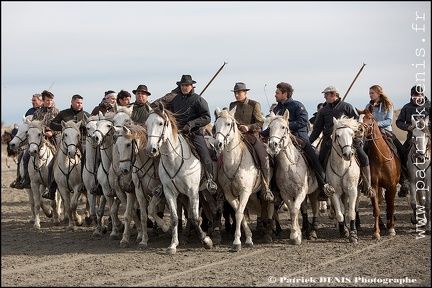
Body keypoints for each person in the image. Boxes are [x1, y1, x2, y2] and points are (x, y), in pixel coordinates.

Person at [260, 82, 335, 199]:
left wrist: (286, 125)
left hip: (299, 138)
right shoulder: (278, 108)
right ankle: (275, 191)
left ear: (285, 94)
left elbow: (303, 121)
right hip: (282, 141)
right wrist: (262, 134)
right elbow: (273, 127)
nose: (275, 95)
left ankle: (323, 186)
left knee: (314, 159)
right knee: (272, 161)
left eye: (277, 93)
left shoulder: (296, 105)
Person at [154, 75, 217, 193]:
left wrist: (192, 124)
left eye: (187, 85)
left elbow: (207, 117)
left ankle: (210, 179)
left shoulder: (198, 100)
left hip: (194, 133)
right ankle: (162, 184)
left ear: (191, 86)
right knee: (162, 153)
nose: (184, 87)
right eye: (182, 85)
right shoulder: (175, 99)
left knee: (205, 153)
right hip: (176, 133)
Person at [309, 85, 375, 198]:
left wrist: (357, 138)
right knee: (319, 160)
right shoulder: (323, 110)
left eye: (326, 94)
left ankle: (367, 185)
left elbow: (356, 124)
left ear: (334, 95)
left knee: (364, 157)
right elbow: (317, 129)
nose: (324, 96)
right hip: (329, 141)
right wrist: (308, 141)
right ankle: (323, 188)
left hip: (348, 141)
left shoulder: (347, 107)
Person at [229, 82, 275, 202]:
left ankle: (266, 186)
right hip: (235, 137)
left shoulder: (254, 104)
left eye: (239, 92)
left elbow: (260, 123)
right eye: (235, 93)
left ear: (245, 93)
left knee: (264, 157)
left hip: (251, 137)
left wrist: (248, 127)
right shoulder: (232, 105)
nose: (236, 95)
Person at [42, 94, 90, 200]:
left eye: (81, 103)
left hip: (81, 143)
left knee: (88, 162)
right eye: (77, 102)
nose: (79, 105)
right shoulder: (63, 113)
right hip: (65, 144)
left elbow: (91, 128)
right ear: (72, 102)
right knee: (51, 165)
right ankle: (51, 189)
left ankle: (88, 186)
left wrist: (84, 127)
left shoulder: (86, 115)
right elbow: (52, 124)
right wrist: (65, 127)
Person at [365, 85, 410, 196]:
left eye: (372, 93)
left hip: (386, 132)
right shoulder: (368, 105)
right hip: (372, 134)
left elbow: (389, 121)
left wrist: (375, 124)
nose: (370, 95)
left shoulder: (388, 105)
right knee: (363, 152)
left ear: (378, 94)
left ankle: (404, 178)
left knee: (402, 151)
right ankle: (364, 180)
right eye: (370, 93)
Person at [14, 90, 60, 189]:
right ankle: (26, 180)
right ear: (43, 100)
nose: (50, 102)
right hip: (38, 139)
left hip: (53, 138)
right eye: (48, 100)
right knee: (25, 156)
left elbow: (61, 127)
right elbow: (32, 127)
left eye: (51, 100)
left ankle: (59, 181)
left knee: (60, 156)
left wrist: (52, 132)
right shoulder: (37, 113)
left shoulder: (57, 112)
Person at [396, 85, 431, 196]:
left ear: (423, 95)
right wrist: (408, 127)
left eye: (420, 95)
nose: (418, 98)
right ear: (411, 96)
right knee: (401, 152)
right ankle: (404, 180)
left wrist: (425, 127)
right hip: (412, 138)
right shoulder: (406, 107)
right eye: (415, 96)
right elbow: (399, 122)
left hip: (428, 138)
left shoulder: (429, 106)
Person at [10, 93, 43, 188]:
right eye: (32, 100)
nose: (32, 102)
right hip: (31, 139)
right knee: (22, 157)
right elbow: (25, 126)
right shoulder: (30, 111)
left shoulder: (44, 110)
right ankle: (21, 179)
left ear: (40, 101)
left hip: (43, 138)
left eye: (34, 100)